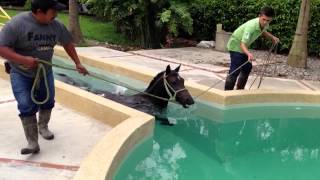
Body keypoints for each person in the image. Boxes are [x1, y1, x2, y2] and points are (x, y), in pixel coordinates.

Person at [0, 0, 88, 155]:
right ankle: (32, 142)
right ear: (39, 12)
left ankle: (43, 126)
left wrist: (78, 63)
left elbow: (67, 43)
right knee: (26, 105)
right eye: (53, 12)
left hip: (45, 72)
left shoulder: (56, 26)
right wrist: (23, 60)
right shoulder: (17, 24)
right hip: (20, 73)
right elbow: (2, 48)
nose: (56, 15)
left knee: (48, 101)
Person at [224, 6, 280, 90]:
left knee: (247, 67)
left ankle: (239, 90)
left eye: (268, 20)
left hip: (243, 46)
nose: (265, 22)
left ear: (271, 19)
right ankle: (227, 93)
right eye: (263, 19)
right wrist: (248, 53)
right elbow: (242, 44)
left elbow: (263, 31)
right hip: (236, 45)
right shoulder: (251, 27)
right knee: (235, 70)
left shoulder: (265, 24)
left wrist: (272, 37)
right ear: (259, 16)